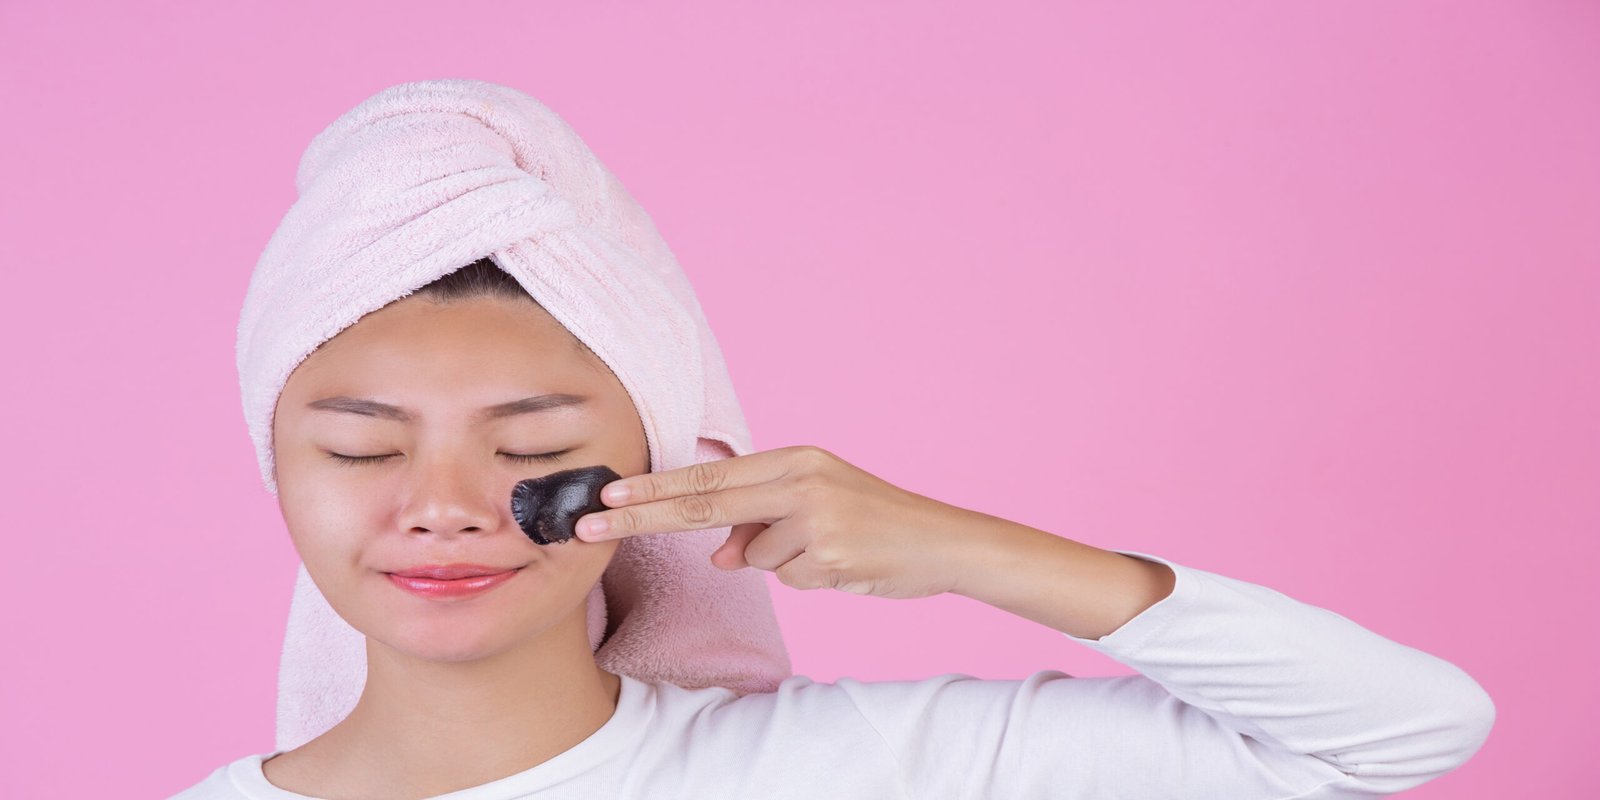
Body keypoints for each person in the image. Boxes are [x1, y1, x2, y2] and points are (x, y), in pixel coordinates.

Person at [172, 79, 1494, 798]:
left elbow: (1394, 735)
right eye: (361, 450)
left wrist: (966, 548)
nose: (446, 503)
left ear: (655, 468)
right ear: (275, 473)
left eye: (527, 445)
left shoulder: (852, 772)